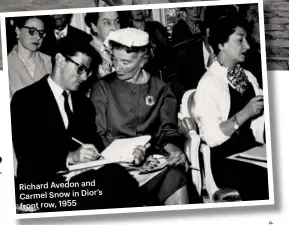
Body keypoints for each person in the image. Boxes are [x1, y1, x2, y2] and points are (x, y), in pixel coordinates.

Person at [11, 40, 142, 213]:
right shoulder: (25, 99)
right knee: (112, 183)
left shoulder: (83, 103)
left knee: (117, 178)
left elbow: (95, 147)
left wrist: (126, 155)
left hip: (81, 180)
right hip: (41, 186)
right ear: (59, 60)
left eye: (88, 72)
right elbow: (27, 155)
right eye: (80, 69)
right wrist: (70, 157)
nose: (85, 77)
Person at [90, 28, 191, 206]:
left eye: (125, 62)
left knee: (176, 177)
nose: (117, 67)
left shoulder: (161, 89)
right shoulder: (102, 88)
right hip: (112, 165)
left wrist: (175, 150)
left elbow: (166, 131)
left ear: (142, 60)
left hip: (150, 162)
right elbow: (98, 134)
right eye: (114, 59)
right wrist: (127, 156)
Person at [194, 16, 268, 201]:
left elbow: (262, 123)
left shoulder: (247, 76)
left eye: (247, 40)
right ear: (221, 44)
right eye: (240, 40)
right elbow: (211, 138)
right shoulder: (209, 83)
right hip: (226, 161)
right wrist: (246, 113)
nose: (248, 46)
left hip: (254, 151)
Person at [8, 16, 52, 97]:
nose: (38, 37)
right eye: (32, 31)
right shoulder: (6, 65)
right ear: (18, 31)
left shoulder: (50, 62)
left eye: (41, 33)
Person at [84, 11, 121, 78]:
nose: (115, 28)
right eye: (107, 23)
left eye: (117, 21)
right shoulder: (88, 53)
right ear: (94, 27)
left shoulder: (121, 46)